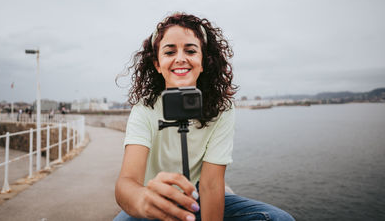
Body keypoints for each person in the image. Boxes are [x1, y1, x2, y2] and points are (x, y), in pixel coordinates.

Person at [114, 13, 295, 221]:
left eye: (190, 50)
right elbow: (126, 183)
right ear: (157, 63)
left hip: (195, 198)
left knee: (279, 219)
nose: (180, 58)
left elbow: (211, 184)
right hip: (152, 201)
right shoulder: (144, 108)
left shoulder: (222, 108)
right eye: (170, 51)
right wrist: (142, 198)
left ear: (203, 61)